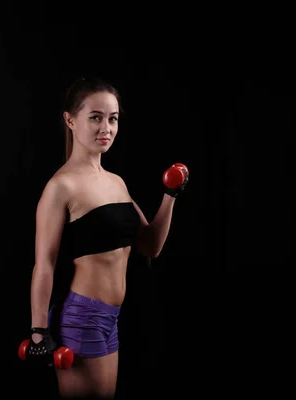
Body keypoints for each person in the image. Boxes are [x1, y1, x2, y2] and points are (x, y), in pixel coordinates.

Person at [26, 77, 188, 399]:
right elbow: (44, 264)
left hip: (109, 318)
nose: (106, 128)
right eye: (95, 117)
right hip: (82, 318)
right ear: (70, 120)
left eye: (112, 119)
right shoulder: (61, 187)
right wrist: (38, 332)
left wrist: (171, 194)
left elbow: (150, 245)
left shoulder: (116, 182)